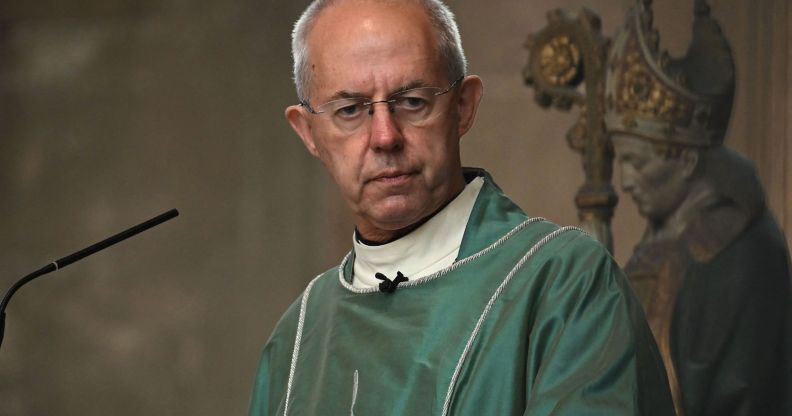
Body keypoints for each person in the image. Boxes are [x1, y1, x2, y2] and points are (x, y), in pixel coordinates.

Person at [250, 0, 674, 414]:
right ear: (308, 133)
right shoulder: (299, 334)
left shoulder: (564, 285)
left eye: (412, 101)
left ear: (464, 106)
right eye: (349, 110)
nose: (384, 136)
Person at [605, 1, 792, 415]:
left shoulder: (742, 257)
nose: (626, 181)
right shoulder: (670, 238)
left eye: (637, 161)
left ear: (686, 160)